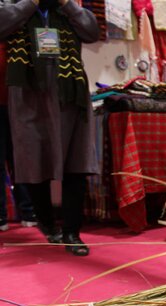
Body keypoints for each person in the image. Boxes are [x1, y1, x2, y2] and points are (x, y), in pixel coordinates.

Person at [0, 0, 100, 255]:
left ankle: (72, 233)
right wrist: (30, 3)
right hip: (28, 94)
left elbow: (91, 31)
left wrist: (68, 4)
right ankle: (47, 224)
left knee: (75, 164)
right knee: (33, 159)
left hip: (69, 93)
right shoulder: (12, 6)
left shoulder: (66, 9)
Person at [0, 41, 37, 231]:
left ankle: (28, 211)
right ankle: (1, 216)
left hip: (18, 105)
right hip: (8, 104)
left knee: (21, 159)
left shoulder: (15, 36)